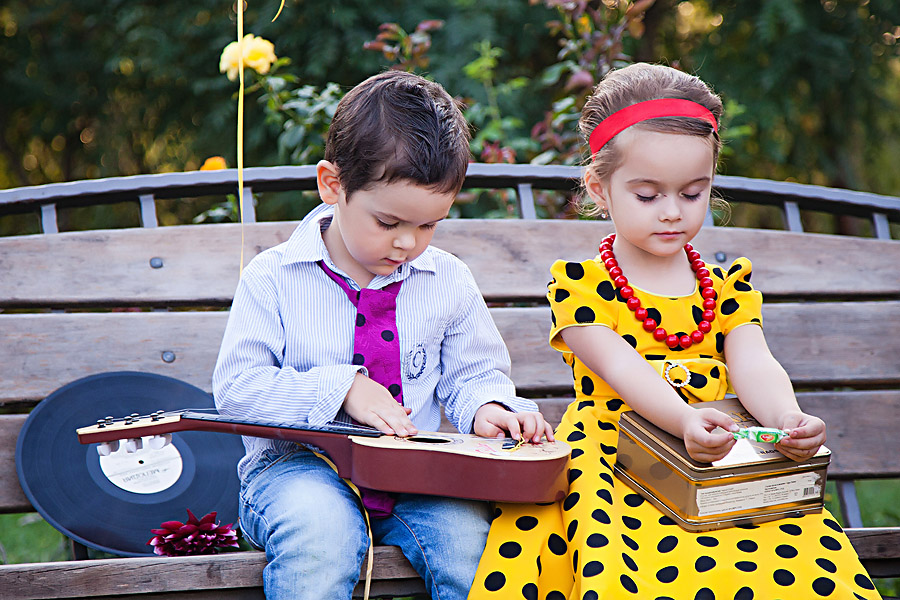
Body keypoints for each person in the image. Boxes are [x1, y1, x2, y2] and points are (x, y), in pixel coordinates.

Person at [469, 63, 881, 600]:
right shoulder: (582, 287)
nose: (672, 213)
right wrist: (684, 417)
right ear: (600, 187)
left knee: (791, 564)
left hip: (721, 459)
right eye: (648, 196)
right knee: (630, 571)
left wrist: (785, 417)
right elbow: (621, 368)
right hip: (617, 465)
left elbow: (755, 362)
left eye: (692, 194)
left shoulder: (726, 287)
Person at [213, 70, 554, 600]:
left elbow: (474, 373)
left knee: (473, 549)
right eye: (389, 222)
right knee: (321, 540)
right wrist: (342, 389)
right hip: (298, 470)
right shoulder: (274, 278)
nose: (409, 243)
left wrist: (488, 408)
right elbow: (237, 392)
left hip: (419, 473)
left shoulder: (447, 279)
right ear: (333, 185)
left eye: (428, 225)